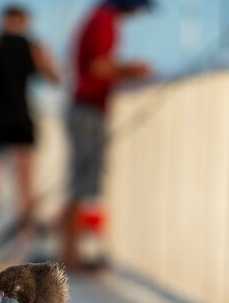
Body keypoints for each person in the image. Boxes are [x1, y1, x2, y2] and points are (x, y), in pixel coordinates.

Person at [62, 0, 153, 274]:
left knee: (82, 183)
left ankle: (73, 254)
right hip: (89, 109)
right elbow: (99, 66)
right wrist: (131, 71)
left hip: (85, 108)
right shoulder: (104, 20)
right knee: (86, 184)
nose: (138, 13)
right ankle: (74, 256)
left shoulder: (97, 16)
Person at [0, 5, 60, 259]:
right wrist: (46, 59)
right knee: (25, 183)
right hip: (20, 115)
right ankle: (25, 241)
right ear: (25, 22)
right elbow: (53, 78)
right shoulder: (34, 46)